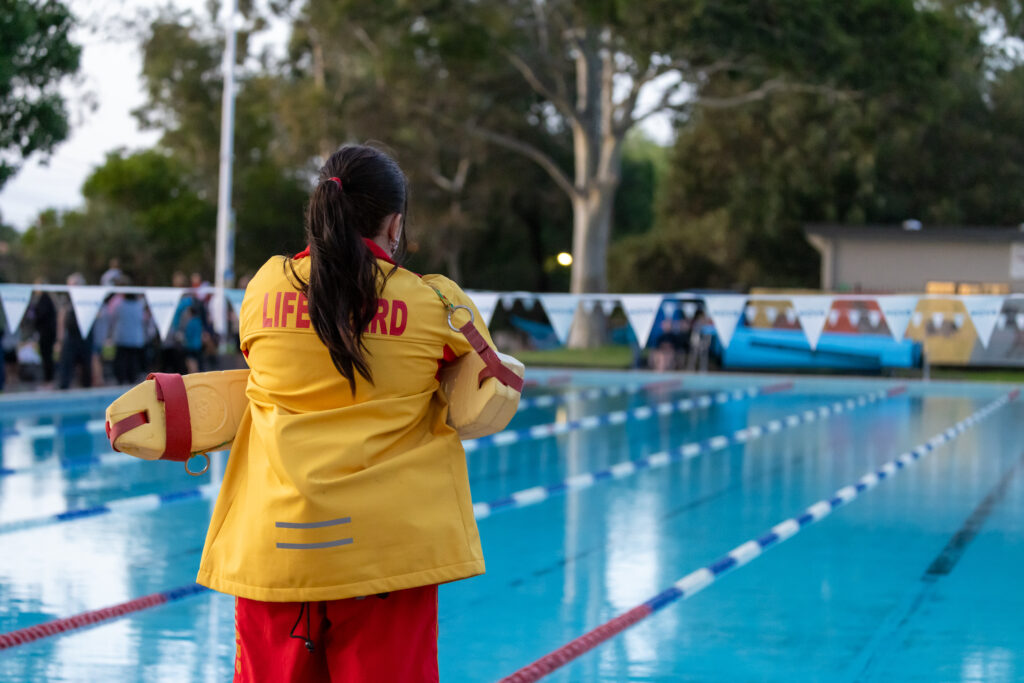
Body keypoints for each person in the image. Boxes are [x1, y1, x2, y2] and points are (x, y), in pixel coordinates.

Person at [196, 145, 496, 682]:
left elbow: (255, 367)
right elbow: (490, 385)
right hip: (386, 562)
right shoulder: (434, 304)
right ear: (396, 223)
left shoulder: (264, 287)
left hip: (274, 550)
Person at [57, 273, 92, 389]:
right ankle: (64, 387)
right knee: (66, 364)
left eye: (74, 285)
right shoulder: (66, 299)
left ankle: (87, 388)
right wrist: (60, 339)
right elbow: (61, 319)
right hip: (70, 336)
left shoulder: (89, 299)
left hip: (85, 336)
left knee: (86, 365)